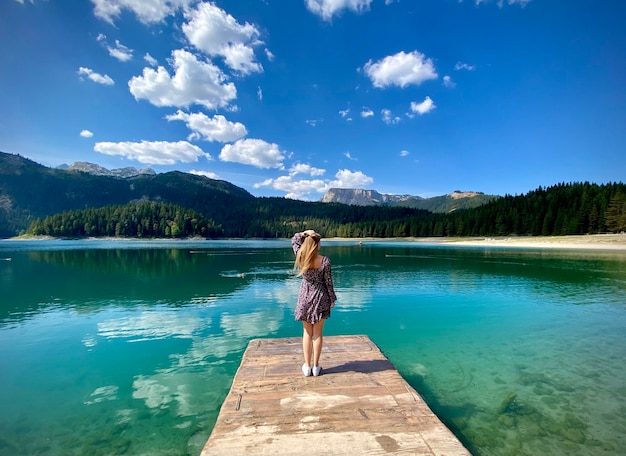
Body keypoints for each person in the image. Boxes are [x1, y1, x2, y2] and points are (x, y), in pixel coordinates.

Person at [292, 229, 337, 377]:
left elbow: (294, 239)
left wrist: (305, 233)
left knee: (307, 332)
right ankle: (316, 367)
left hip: (305, 296)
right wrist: (332, 299)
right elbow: (328, 283)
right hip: (321, 297)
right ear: (317, 244)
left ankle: (307, 366)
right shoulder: (325, 261)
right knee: (317, 334)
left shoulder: (301, 256)